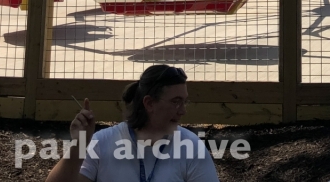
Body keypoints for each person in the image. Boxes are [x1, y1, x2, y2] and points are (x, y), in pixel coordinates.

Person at [46, 64, 219, 182]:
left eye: (185, 102)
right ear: (149, 103)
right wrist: (80, 145)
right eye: (176, 101)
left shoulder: (191, 147)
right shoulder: (102, 142)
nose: (183, 110)